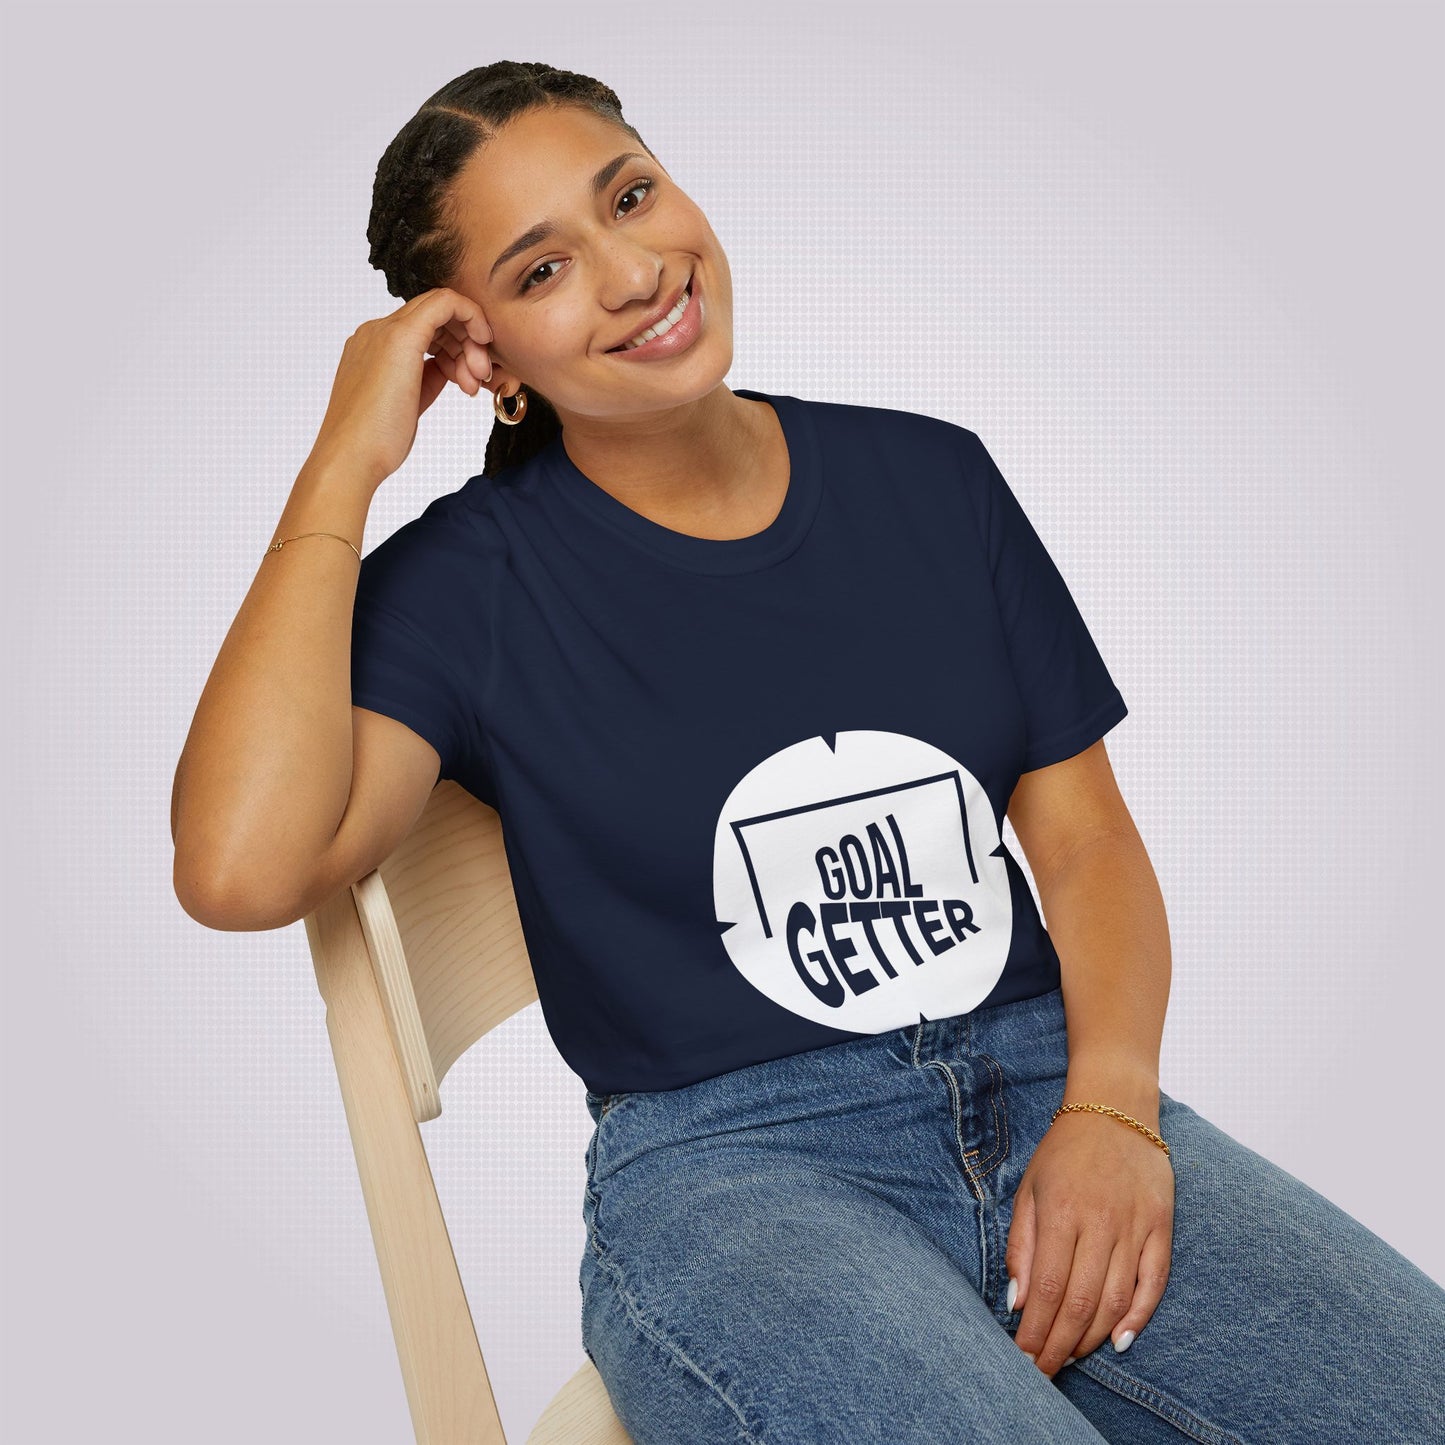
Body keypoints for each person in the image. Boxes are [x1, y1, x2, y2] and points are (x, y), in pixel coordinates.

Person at [170, 59, 1445, 1444]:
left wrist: (1113, 1110)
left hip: (1050, 1084)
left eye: (633, 196)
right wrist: (341, 463)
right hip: (734, 1172)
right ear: (485, 359)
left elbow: (1083, 846)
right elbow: (240, 866)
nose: (633, 271)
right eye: (541, 272)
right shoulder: (469, 583)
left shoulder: (932, 479)